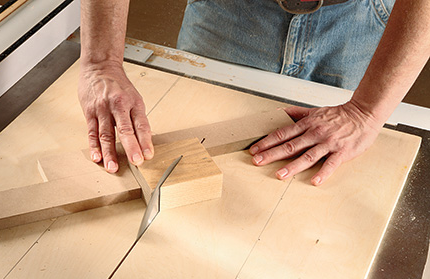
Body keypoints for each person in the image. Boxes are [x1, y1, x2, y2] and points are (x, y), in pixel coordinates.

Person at [78, 0, 430, 185]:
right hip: (229, 13)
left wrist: (365, 110)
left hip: (361, 17)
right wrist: (100, 61)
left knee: (317, 181)